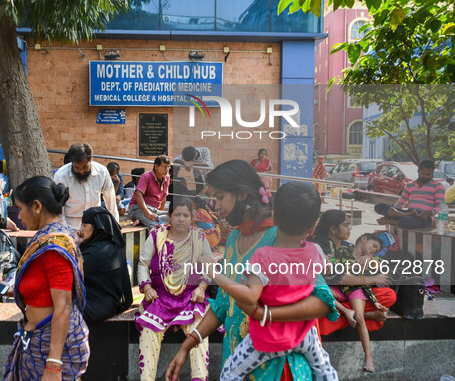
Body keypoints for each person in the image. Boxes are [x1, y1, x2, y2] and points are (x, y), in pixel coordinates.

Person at [166, 160, 339, 381]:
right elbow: (223, 304)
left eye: (219, 196)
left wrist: (266, 314)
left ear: (242, 194)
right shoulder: (234, 239)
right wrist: (188, 345)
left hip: (279, 368)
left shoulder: (281, 237)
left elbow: (322, 301)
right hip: (240, 361)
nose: (213, 204)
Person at [207, 182, 338, 380]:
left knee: (229, 372)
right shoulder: (314, 252)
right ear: (312, 227)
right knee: (325, 369)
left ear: (274, 216)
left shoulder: (263, 257)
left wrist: (213, 273)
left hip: (268, 338)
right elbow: (326, 268)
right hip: (305, 334)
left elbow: (251, 296)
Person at [0, 176, 89, 379]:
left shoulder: (55, 248)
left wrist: (54, 364)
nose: (19, 216)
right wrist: (8, 290)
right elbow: (43, 290)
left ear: (37, 207)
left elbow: (63, 306)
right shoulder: (44, 238)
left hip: (49, 349)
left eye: (20, 208)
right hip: (35, 340)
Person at [136, 197, 212, 381]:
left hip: (190, 299)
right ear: (169, 217)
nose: (181, 219)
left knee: (199, 331)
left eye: (186, 215)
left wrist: (202, 288)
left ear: (191, 218)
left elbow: (210, 267)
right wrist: (146, 288)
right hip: (160, 298)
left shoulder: (199, 237)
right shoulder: (156, 235)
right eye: (177, 214)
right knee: (148, 332)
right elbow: (143, 264)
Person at [313, 210, 396, 373]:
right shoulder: (320, 246)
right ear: (333, 229)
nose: (350, 228)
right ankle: (362, 314)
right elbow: (337, 277)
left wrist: (372, 260)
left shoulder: (347, 247)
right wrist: (371, 280)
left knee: (389, 295)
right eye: (345, 225)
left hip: (350, 292)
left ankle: (355, 314)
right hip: (334, 291)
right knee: (317, 295)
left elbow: (375, 267)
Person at [79, 206, 133, 323]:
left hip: (98, 306)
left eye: (84, 225)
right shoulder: (111, 245)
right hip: (109, 303)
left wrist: (75, 243)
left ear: (97, 227)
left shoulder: (98, 253)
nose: (80, 229)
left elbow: (73, 271)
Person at [54, 143, 119, 229]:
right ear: (72, 162)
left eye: (85, 167)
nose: (81, 171)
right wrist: (64, 230)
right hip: (69, 226)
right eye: (77, 168)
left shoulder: (102, 172)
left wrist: (115, 227)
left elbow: (111, 201)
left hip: (96, 226)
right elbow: (58, 206)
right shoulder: (61, 175)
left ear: (90, 160)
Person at [374, 160, 445, 229]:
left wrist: (428, 213)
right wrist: (394, 213)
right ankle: (402, 216)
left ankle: (389, 221)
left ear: (432, 173)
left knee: (406, 222)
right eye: (423, 174)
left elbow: (440, 207)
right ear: (418, 171)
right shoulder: (409, 185)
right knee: (378, 206)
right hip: (410, 213)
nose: (426, 176)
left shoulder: (438, 186)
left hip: (425, 218)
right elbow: (401, 202)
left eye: (429, 174)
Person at [127, 155, 171, 228]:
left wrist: (158, 215)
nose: (167, 170)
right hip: (138, 209)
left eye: (168, 167)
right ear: (156, 166)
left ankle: (141, 221)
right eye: (164, 167)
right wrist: (148, 213)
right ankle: (144, 220)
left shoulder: (167, 177)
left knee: (174, 216)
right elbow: (138, 195)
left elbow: (164, 197)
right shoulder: (146, 176)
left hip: (154, 210)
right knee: (156, 226)